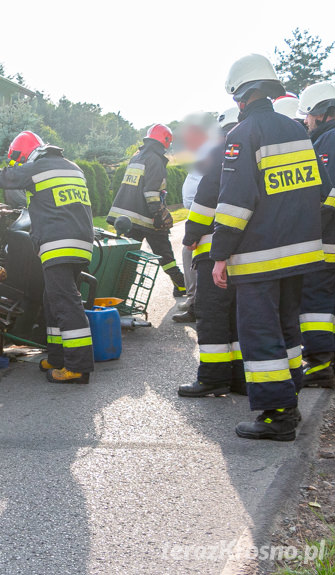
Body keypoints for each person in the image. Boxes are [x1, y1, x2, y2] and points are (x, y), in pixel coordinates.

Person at [214, 54, 326, 441]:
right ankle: (289, 396)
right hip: (302, 255)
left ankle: (277, 416)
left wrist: (219, 255)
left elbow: (234, 205)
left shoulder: (242, 135)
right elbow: (321, 187)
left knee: (260, 334)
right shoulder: (297, 131)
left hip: (258, 257)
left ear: (241, 97)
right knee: (287, 329)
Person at [0, 131, 95, 383]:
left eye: (21, 161)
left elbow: (3, 177)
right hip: (81, 242)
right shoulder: (72, 168)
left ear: (26, 154)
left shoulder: (37, 168)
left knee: (65, 301)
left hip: (58, 243)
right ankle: (57, 357)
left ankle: (78, 367)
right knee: (51, 299)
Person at [178, 107, 246, 398]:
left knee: (212, 313)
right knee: (238, 316)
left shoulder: (224, 152)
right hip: (245, 252)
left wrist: (191, 235)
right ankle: (241, 378)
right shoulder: (257, 150)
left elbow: (205, 199)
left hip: (211, 250)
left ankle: (213, 377)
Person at [107, 124, 187, 296]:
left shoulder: (137, 157)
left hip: (126, 219)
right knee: (164, 253)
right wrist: (158, 214)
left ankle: (119, 295)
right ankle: (181, 285)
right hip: (145, 217)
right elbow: (151, 192)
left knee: (128, 258)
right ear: (165, 141)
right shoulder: (155, 159)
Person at [296, 81, 335, 387]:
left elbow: (325, 196)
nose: (306, 121)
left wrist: (305, 230)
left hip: (326, 242)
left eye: (308, 115)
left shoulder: (329, 141)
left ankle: (321, 362)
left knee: (316, 300)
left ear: (323, 112)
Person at [173, 113, 218, 323]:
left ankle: (196, 305)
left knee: (197, 262)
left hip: (206, 222)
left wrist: (193, 231)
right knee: (190, 260)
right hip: (197, 217)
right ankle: (193, 302)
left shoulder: (212, 157)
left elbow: (208, 192)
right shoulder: (201, 157)